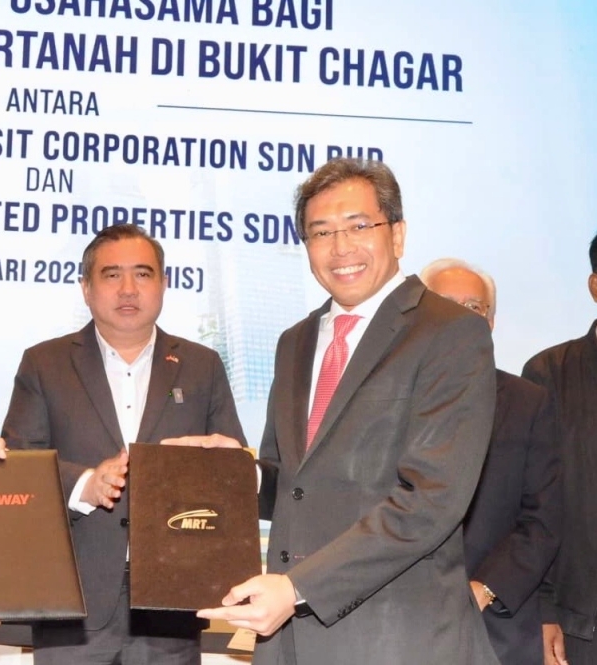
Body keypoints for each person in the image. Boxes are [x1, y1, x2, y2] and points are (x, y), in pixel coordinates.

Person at [199, 158, 499, 664]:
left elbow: (431, 500)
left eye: (359, 226)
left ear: (397, 235)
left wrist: (296, 588)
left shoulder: (449, 333)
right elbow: (296, 484)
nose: (340, 248)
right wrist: (237, 474)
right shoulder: (294, 342)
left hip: (398, 638)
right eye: (321, 232)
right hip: (292, 643)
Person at [2, 223, 247, 665]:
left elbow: (231, 467)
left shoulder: (201, 365)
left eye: (143, 274)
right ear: (86, 288)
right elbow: (18, 465)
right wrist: (85, 485)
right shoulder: (45, 363)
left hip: (173, 597)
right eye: (112, 275)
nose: (128, 288)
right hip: (73, 602)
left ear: (164, 284)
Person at [422, 258, 561, 665]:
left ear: (492, 321)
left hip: (497, 626)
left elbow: (544, 517)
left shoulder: (528, 402)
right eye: (443, 303)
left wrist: (486, 587)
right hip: (402, 622)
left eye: (474, 307)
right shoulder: (387, 398)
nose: (459, 317)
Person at [522, 231, 597, 665]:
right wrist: (545, 609)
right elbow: (533, 505)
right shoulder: (549, 374)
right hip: (582, 624)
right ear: (594, 286)